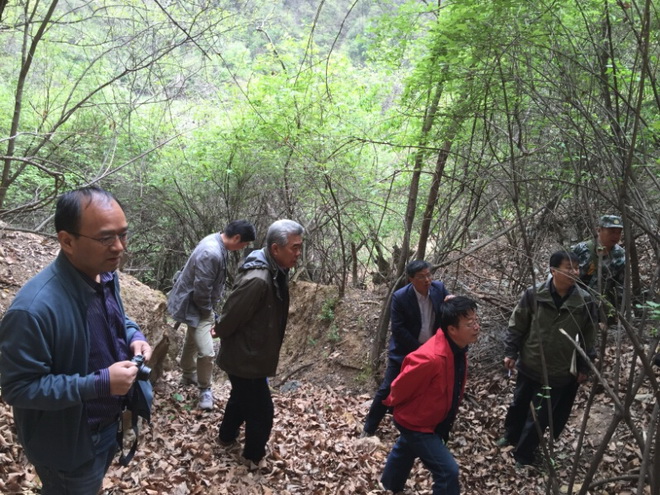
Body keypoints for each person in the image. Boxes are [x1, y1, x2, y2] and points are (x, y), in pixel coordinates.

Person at [0, 186, 153, 494]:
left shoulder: (104, 274)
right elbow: (18, 389)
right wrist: (99, 383)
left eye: (123, 234)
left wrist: (133, 335)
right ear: (67, 241)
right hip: (68, 444)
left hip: (106, 425)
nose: (119, 247)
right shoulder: (32, 311)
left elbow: (116, 319)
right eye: (106, 238)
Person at [214, 219, 304, 466]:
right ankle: (253, 457)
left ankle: (226, 437)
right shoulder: (259, 279)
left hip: (252, 352)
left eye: (300, 247)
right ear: (275, 249)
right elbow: (233, 312)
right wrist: (219, 329)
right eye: (294, 247)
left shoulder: (275, 270)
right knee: (262, 412)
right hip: (246, 357)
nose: (298, 253)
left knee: (240, 397)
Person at [498, 251, 597, 466]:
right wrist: (510, 352)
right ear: (553, 270)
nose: (575, 272)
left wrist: (585, 366)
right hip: (530, 362)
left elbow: (589, 337)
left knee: (540, 416)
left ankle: (524, 455)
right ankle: (511, 436)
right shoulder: (534, 294)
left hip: (559, 370)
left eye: (577, 268)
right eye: (568, 267)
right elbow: (517, 324)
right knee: (519, 404)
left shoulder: (584, 300)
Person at [380, 296, 480, 495]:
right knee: (448, 472)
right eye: (470, 324)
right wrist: (400, 408)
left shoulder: (457, 347)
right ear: (452, 329)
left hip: (430, 418)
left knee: (406, 448)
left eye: (476, 320)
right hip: (416, 423)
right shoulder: (430, 358)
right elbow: (399, 386)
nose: (476, 327)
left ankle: (388, 486)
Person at [167, 220, 256, 410]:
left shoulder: (217, 242)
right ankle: (205, 389)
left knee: (193, 338)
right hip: (195, 304)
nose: (243, 248)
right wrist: (209, 313)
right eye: (244, 244)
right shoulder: (212, 252)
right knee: (207, 352)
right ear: (237, 237)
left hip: (194, 303)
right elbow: (202, 290)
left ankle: (187, 374)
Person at [362, 260, 451, 437]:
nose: (427, 280)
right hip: (405, 351)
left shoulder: (439, 289)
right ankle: (369, 428)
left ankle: (427, 429)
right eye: (421, 277)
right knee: (388, 388)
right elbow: (398, 329)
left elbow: (449, 311)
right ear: (411, 279)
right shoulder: (400, 297)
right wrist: (420, 350)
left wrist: (453, 301)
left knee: (431, 390)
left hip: (434, 352)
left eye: (429, 275)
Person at [571, 214, 625, 319]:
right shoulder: (582, 249)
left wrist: (618, 312)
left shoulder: (620, 254)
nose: (615, 236)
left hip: (602, 307)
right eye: (611, 231)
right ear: (599, 230)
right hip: (577, 304)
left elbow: (620, 285)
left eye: (618, 232)